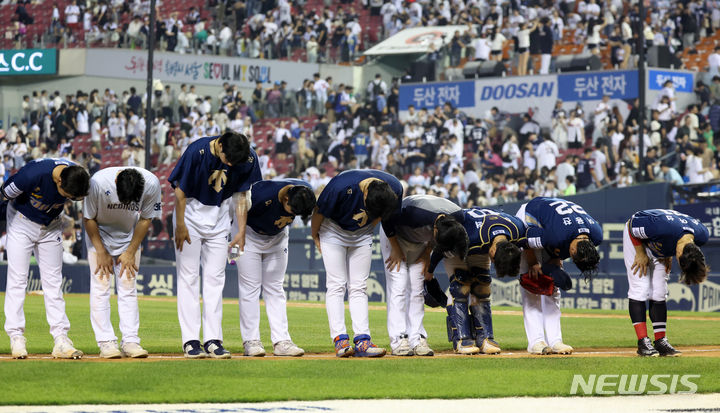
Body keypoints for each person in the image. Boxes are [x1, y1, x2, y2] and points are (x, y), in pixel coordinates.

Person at [169, 131, 261, 359]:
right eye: (227, 158)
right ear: (219, 144)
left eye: (233, 162)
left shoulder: (248, 157)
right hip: (189, 217)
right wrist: (180, 225)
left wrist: (240, 231)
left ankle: (213, 340)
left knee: (215, 279)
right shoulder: (195, 151)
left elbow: (241, 194)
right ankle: (190, 341)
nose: (230, 164)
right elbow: (179, 193)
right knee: (188, 277)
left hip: (220, 219)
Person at [3, 159, 90, 359]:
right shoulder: (31, 175)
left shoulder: (77, 174)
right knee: (17, 280)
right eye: (68, 196)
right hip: (21, 222)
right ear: (59, 181)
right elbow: (4, 193)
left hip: (51, 225)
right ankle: (16, 336)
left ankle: (61, 339)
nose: (70, 199)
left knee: (53, 282)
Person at [311, 169, 403, 358]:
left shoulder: (394, 188)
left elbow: (387, 216)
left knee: (359, 286)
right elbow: (319, 211)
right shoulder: (340, 186)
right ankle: (340, 340)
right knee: (336, 284)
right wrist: (315, 235)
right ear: (366, 193)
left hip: (362, 234)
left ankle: (363, 341)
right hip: (333, 230)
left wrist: (372, 229)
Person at [83, 167, 161, 359]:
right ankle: (106, 342)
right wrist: (100, 251)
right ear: (116, 184)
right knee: (101, 286)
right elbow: (88, 218)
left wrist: (131, 251)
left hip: (129, 237)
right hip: (98, 234)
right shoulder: (97, 183)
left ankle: (131, 341)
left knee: (128, 287)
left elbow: (145, 218)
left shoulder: (151, 184)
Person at [233, 179, 316, 357]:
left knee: (275, 288)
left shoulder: (302, 192)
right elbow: (237, 209)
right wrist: (235, 238)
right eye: (293, 211)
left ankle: (282, 342)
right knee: (250, 288)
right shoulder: (261, 194)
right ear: (285, 198)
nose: (295, 215)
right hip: (249, 235)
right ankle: (251, 341)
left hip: (277, 238)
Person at [428, 208, 526, 355]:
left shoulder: (518, 230)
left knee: (482, 289)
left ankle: (485, 338)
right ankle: (461, 339)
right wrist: (429, 271)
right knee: (461, 288)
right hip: (459, 242)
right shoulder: (472, 235)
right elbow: (442, 246)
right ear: (492, 253)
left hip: (482, 244)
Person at [515, 197, 602, 355]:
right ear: (573, 250)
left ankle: (555, 341)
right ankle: (536, 342)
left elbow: (562, 247)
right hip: (528, 218)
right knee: (533, 284)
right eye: (573, 257)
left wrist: (556, 260)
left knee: (552, 288)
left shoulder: (596, 235)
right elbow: (524, 238)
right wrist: (533, 262)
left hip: (553, 223)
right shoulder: (555, 235)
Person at [380, 194, 463, 356]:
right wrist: (395, 248)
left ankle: (417, 338)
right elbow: (386, 218)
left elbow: (443, 239)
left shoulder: (459, 216)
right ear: (435, 229)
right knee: (399, 284)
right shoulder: (412, 212)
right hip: (395, 237)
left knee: (417, 289)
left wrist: (428, 252)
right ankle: (398, 339)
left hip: (422, 242)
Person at [624, 209, 709, 357]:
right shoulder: (660, 227)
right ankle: (643, 342)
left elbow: (680, 242)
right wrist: (640, 252)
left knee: (659, 291)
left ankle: (660, 341)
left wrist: (668, 252)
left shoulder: (702, 235)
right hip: (637, 238)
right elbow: (632, 225)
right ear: (680, 252)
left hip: (663, 241)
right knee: (640, 288)